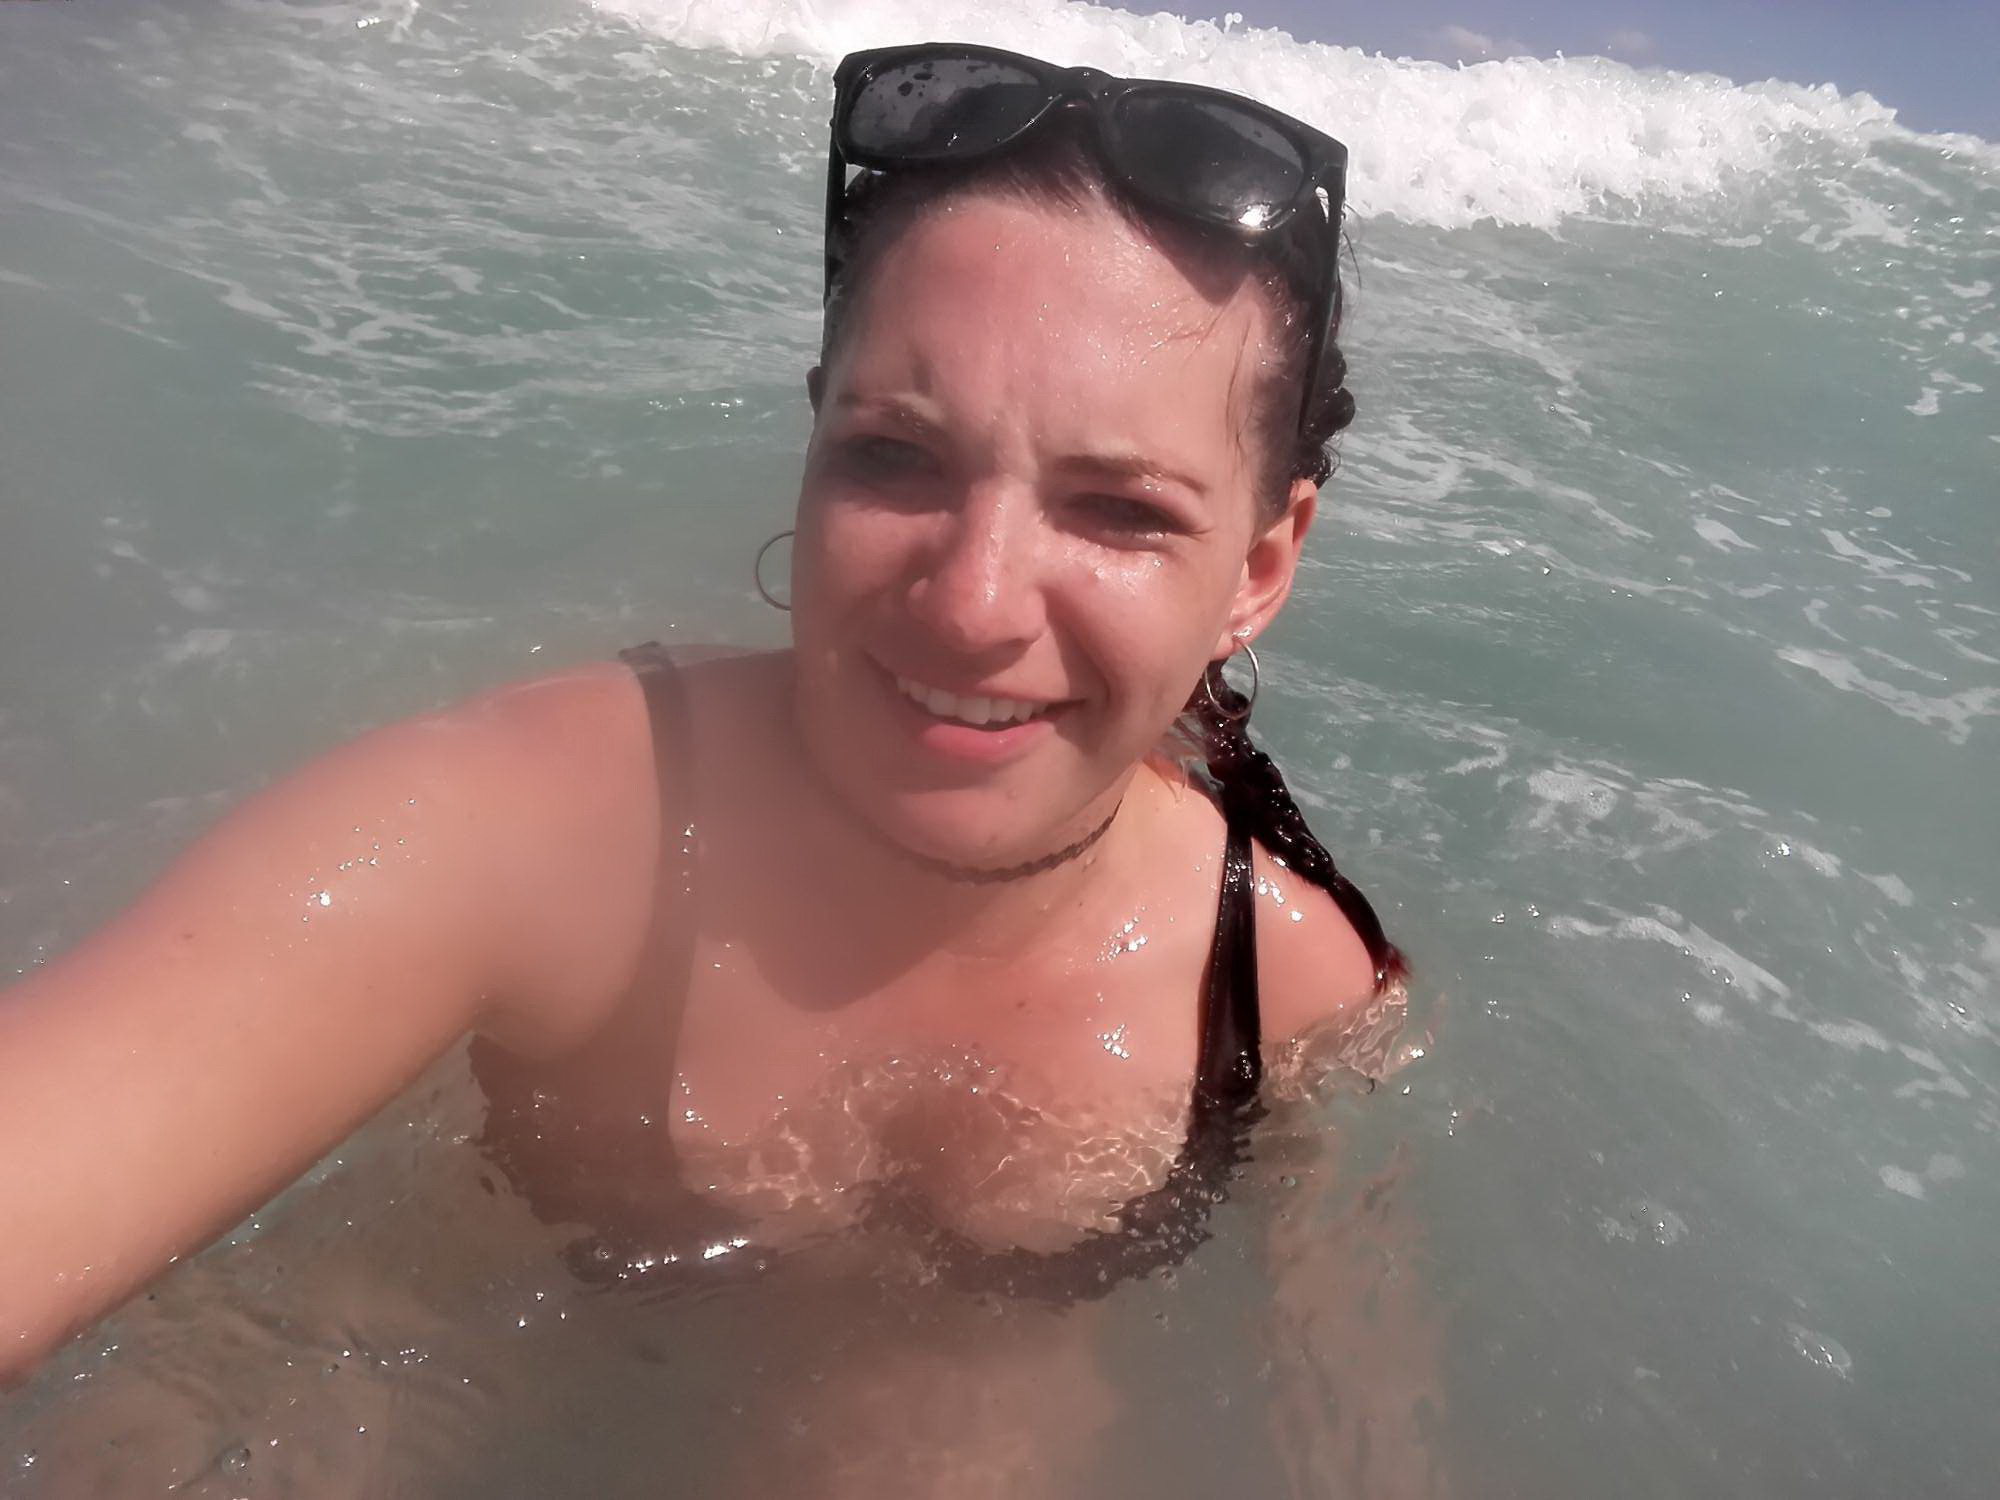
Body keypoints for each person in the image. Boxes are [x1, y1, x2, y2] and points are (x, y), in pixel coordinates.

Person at [0, 42, 1405, 1387]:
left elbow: (1356, 1402)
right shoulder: (551, 825)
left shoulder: (1286, 984)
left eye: (1118, 509)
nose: (974, 603)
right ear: (814, 438)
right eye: (894, 454)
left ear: (1259, 569)